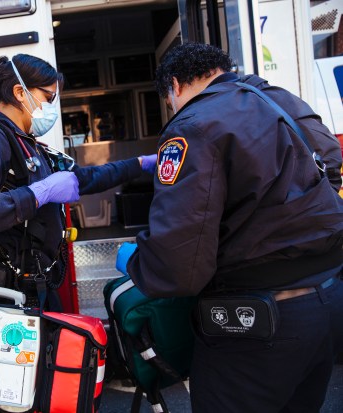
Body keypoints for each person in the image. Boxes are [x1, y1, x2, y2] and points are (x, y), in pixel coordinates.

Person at [126, 42, 343, 412]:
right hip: (327, 300)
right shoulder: (282, 101)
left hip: (259, 319)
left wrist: (138, 263)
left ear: (174, 86)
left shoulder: (192, 125)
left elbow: (180, 262)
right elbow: (332, 169)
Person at [0, 53, 157, 308]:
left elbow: (84, 179)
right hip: (1, 297)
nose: (52, 106)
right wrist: (38, 193)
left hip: (32, 289)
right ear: (20, 92)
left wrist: (140, 164)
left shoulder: (28, 145)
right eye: (48, 97)